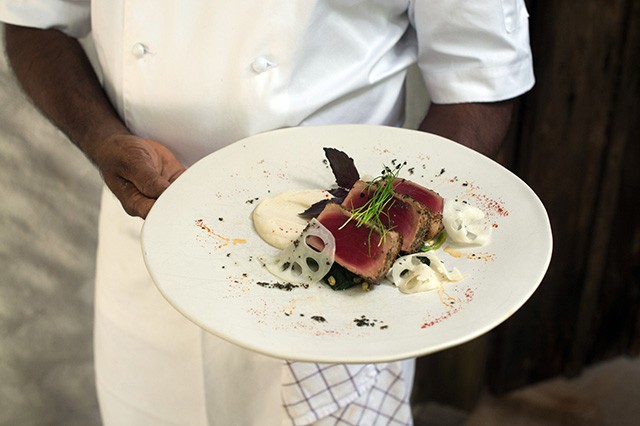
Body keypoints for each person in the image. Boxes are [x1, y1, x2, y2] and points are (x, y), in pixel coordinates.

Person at [1, 1, 534, 425]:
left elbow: (479, 77)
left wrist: (392, 229)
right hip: (144, 247)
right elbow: (33, 17)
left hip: (339, 287)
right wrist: (101, 138)